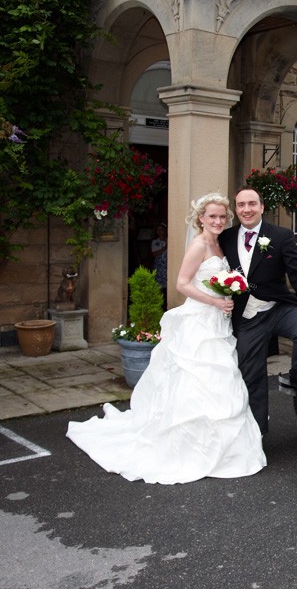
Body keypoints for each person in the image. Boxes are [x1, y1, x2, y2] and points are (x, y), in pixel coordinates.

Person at [66, 193, 267, 484]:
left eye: (223, 216)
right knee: (197, 380)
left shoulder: (221, 243)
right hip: (200, 320)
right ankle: (188, 447)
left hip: (218, 323)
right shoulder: (199, 245)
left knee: (222, 380)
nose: (218, 221)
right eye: (212, 216)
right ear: (201, 218)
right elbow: (181, 284)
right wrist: (215, 302)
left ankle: (225, 449)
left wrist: (227, 294)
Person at [218, 185, 297, 435]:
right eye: (241, 205)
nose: (247, 209)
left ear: (262, 207)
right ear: (236, 209)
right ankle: (256, 435)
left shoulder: (280, 236)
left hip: (276, 308)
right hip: (247, 318)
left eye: (252, 204)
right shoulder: (226, 237)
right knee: (251, 377)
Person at [151, 222, 168, 301]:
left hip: (167, 265)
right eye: (158, 230)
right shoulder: (155, 242)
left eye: (161, 230)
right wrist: (164, 249)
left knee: (167, 285)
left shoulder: (169, 240)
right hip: (159, 266)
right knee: (159, 286)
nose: (160, 231)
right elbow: (154, 253)